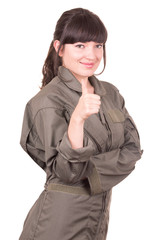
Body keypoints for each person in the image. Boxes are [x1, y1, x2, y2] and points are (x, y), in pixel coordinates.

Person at [19, 8, 143, 240]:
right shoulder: (46, 102)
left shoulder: (110, 94)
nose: (92, 54)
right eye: (80, 45)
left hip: (98, 221)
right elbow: (67, 172)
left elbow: (133, 150)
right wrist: (77, 120)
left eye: (98, 45)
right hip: (57, 223)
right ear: (59, 47)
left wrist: (90, 173)